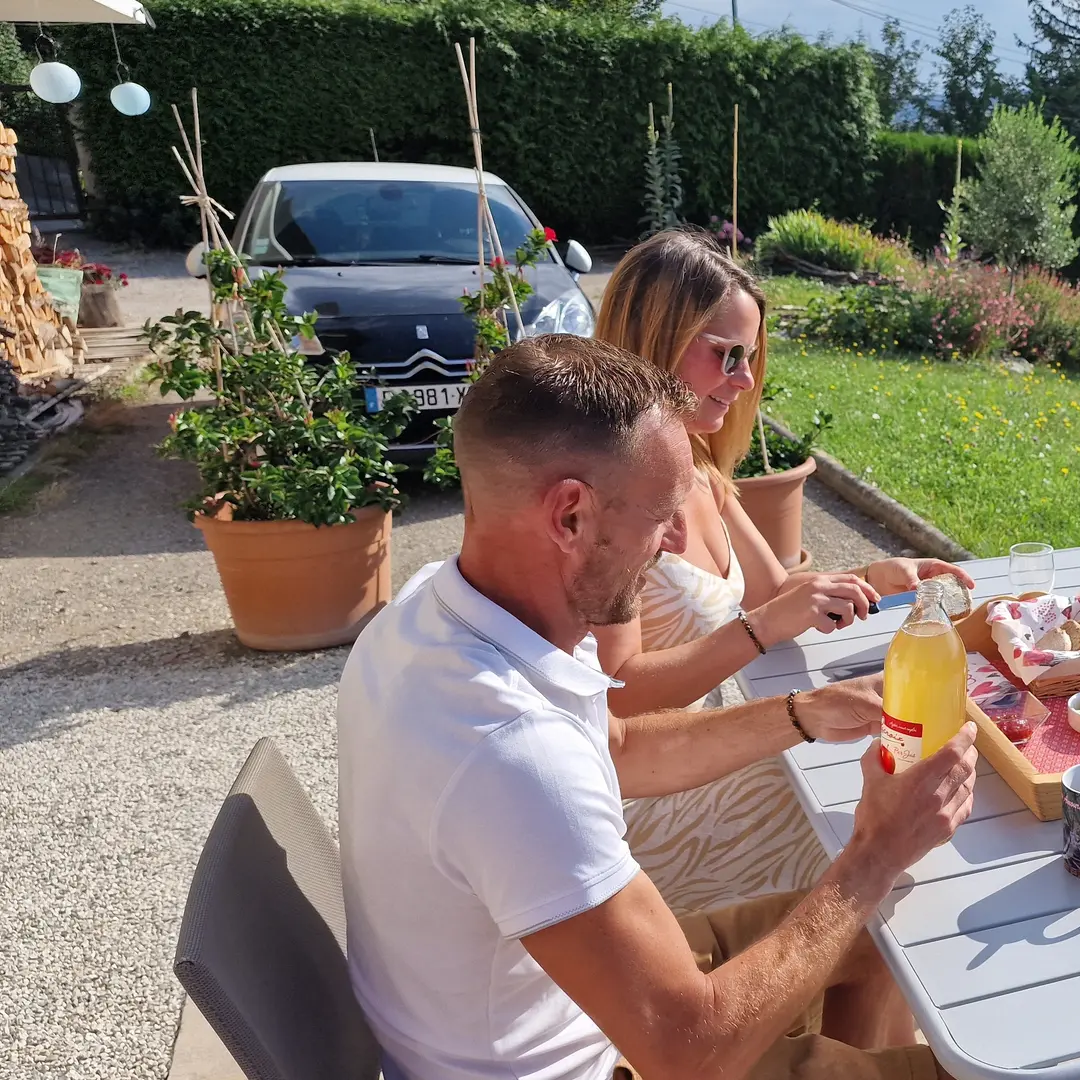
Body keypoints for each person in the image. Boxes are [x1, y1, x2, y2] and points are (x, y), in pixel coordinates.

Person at [337, 334, 977, 1080]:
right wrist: (877, 849)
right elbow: (688, 1052)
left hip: (566, 999)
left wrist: (803, 711)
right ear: (570, 515)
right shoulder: (509, 750)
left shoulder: (447, 610)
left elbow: (618, 747)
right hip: (593, 1057)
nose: (677, 540)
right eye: (660, 514)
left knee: (880, 938)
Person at [586, 229, 972, 915]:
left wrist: (880, 577)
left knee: (911, 802)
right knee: (895, 849)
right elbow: (617, 701)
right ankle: (834, 1012)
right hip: (654, 804)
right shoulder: (610, 502)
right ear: (654, 336)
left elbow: (769, 593)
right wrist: (760, 630)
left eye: (751, 357)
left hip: (714, 755)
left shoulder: (699, 469)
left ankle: (844, 1013)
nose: (742, 380)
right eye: (725, 355)